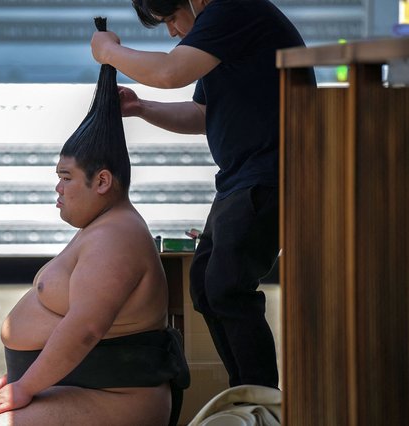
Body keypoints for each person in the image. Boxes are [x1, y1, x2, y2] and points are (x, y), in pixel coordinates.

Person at [0, 27, 190, 425]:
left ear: (102, 181)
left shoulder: (116, 237)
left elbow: (86, 328)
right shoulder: (103, 228)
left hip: (118, 399)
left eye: (66, 177)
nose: (58, 189)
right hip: (87, 386)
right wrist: (27, 374)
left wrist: (26, 385)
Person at [91, 0, 313, 389]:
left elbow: (169, 71)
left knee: (226, 286)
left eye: (171, 19)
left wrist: (109, 51)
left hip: (270, 174)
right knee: (207, 287)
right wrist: (142, 108)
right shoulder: (220, 33)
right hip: (242, 178)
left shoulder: (231, 10)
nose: (174, 32)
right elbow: (202, 115)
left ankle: (259, 399)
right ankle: (248, 392)